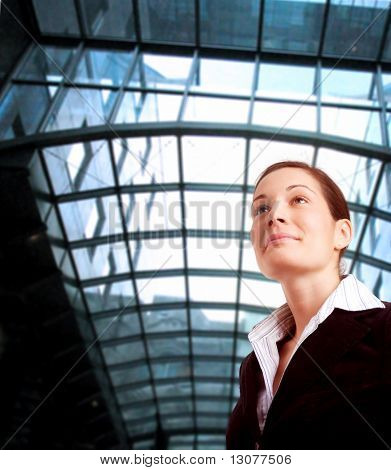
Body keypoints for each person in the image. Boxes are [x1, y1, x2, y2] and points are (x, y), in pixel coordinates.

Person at [225, 160, 391, 450]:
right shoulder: (253, 368)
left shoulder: (386, 329)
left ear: (341, 234)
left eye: (299, 199)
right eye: (261, 208)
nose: (274, 216)